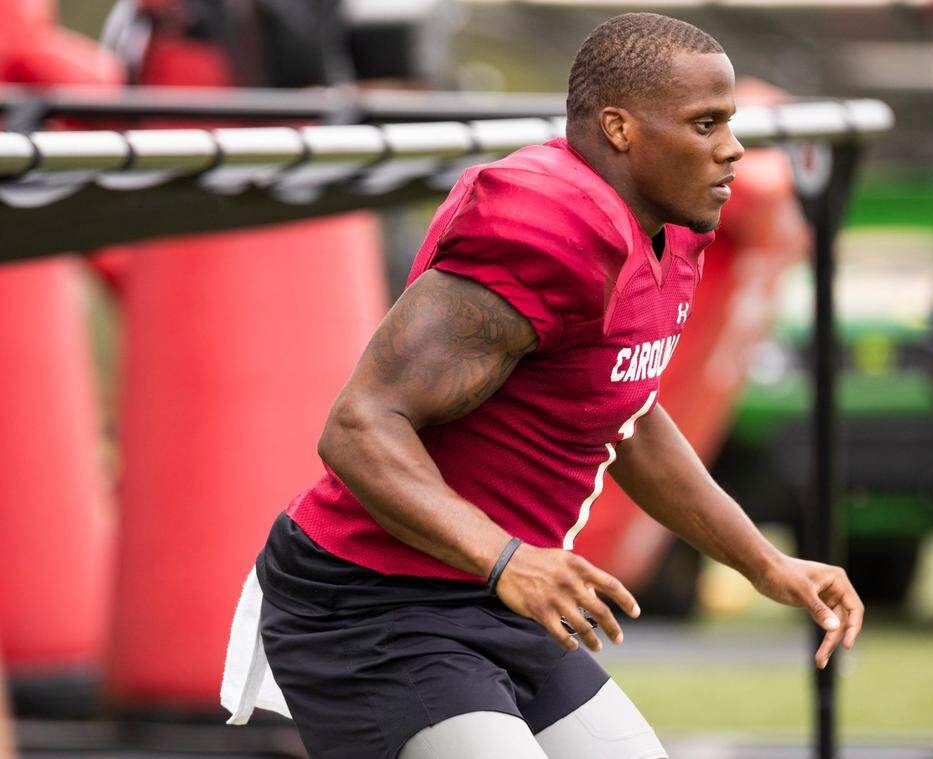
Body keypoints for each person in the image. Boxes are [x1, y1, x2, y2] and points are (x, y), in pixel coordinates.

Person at [255, 13, 863, 759]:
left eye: (730, 122)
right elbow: (358, 425)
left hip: (504, 594)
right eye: (705, 124)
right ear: (620, 129)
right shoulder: (548, 223)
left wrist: (765, 563)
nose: (732, 149)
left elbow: (627, 416)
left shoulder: (673, 226)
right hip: (375, 602)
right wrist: (509, 557)